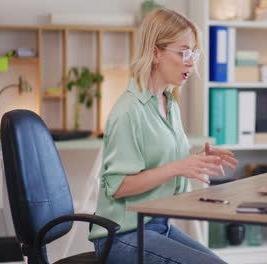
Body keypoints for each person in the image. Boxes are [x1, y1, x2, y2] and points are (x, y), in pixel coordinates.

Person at [89, 8, 238, 264]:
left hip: (158, 225)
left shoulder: (168, 103)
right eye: (183, 52)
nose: (191, 62)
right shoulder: (128, 111)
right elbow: (118, 186)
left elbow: (164, 165)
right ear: (156, 52)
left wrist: (197, 160)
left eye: (194, 52)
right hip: (122, 235)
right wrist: (179, 167)